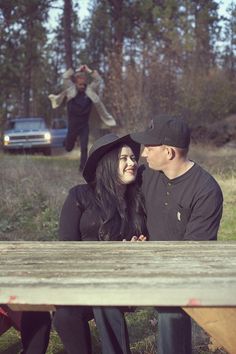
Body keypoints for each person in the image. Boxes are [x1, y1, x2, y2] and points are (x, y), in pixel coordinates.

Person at [94, 114, 224, 354]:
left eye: (149, 147)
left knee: (170, 308)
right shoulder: (147, 174)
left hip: (183, 275)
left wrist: (154, 260)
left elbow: (194, 254)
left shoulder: (206, 191)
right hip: (144, 264)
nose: (142, 154)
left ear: (169, 153)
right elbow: (114, 185)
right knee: (103, 297)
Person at [53, 133, 147, 354]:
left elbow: (143, 241)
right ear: (107, 163)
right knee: (65, 316)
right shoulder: (80, 195)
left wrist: (135, 249)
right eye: (124, 159)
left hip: (119, 282)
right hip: (80, 279)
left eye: (133, 158)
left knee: (106, 300)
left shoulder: (137, 202)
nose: (132, 163)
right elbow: (66, 244)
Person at [48, 65, 117, 171]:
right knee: (68, 148)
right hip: (73, 124)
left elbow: (98, 80)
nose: (82, 85)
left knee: (84, 147)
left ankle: (83, 168)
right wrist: (75, 69)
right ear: (76, 82)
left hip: (84, 125)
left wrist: (89, 70)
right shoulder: (70, 89)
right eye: (80, 82)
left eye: (84, 82)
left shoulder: (89, 90)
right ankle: (67, 141)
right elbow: (64, 77)